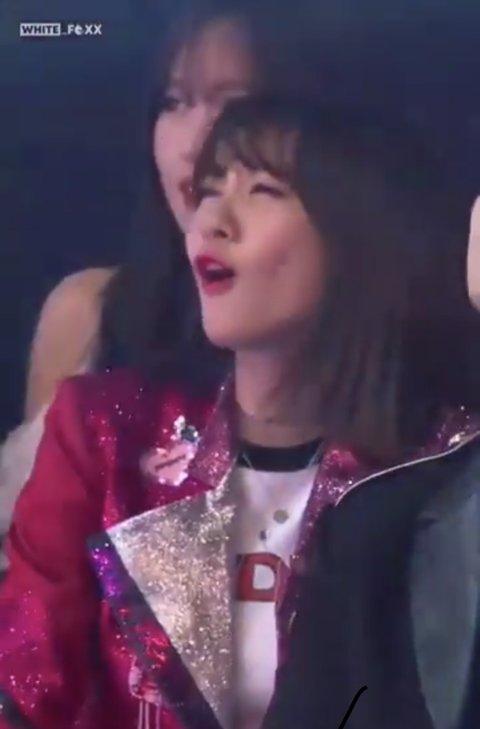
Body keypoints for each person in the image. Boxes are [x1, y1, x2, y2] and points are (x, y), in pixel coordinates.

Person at [1, 94, 480, 729]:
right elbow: (24, 691)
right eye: (209, 190)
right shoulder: (108, 430)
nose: (212, 221)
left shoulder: (446, 466)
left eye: (262, 190)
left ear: (358, 234)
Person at [0, 0, 328, 566]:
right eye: (174, 103)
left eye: (234, 103)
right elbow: (36, 574)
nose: (195, 142)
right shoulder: (90, 313)